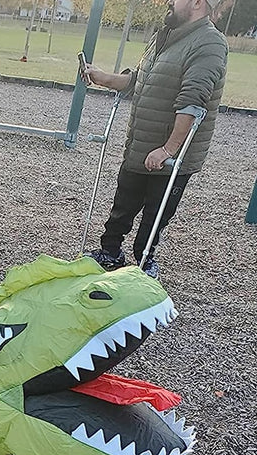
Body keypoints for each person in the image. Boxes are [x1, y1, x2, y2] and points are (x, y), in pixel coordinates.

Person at [82, 0, 227, 279]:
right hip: (140, 144)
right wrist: (101, 78)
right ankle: (110, 253)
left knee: (154, 217)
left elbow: (193, 102)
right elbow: (140, 80)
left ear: (198, 3)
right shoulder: (164, 36)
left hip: (170, 155)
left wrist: (168, 150)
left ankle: (144, 264)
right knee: (122, 206)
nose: (169, 2)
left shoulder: (210, 44)